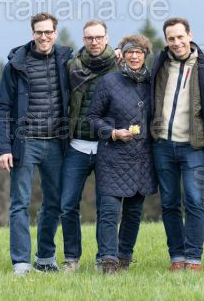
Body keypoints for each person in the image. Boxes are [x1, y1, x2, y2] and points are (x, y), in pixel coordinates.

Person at [0, 12, 72, 276]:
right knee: (20, 203)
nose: (44, 36)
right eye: (39, 32)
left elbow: (93, 61)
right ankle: (21, 262)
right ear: (32, 33)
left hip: (57, 144)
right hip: (25, 143)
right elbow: (2, 107)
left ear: (55, 33)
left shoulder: (66, 60)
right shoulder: (16, 65)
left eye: (48, 32)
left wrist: (118, 52)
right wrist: (4, 147)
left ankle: (45, 258)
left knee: (55, 203)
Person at [150, 17, 204, 272]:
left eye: (180, 36)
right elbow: (131, 59)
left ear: (190, 35)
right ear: (166, 40)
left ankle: (193, 259)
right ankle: (177, 257)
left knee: (193, 200)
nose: (176, 42)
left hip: (193, 145)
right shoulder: (159, 62)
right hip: (162, 145)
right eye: (171, 38)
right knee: (169, 202)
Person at [87, 34, 157, 274]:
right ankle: (108, 261)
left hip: (142, 159)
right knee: (109, 211)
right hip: (112, 157)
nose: (134, 56)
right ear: (123, 55)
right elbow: (92, 118)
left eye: (139, 52)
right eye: (130, 52)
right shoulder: (109, 82)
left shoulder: (152, 82)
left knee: (133, 213)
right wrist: (113, 132)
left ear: (145, 55)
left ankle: (124, 258)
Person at [59, 19, 118, 272]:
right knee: (67, 205)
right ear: (83, 40)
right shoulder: (72, 66)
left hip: (108, 147)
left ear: (106, 38)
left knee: (106, 208)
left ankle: (105, 259)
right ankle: (72, 259)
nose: (94, 42)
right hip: (77, 146)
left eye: (98, 37)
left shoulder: (119, 65)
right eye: (89, 38)